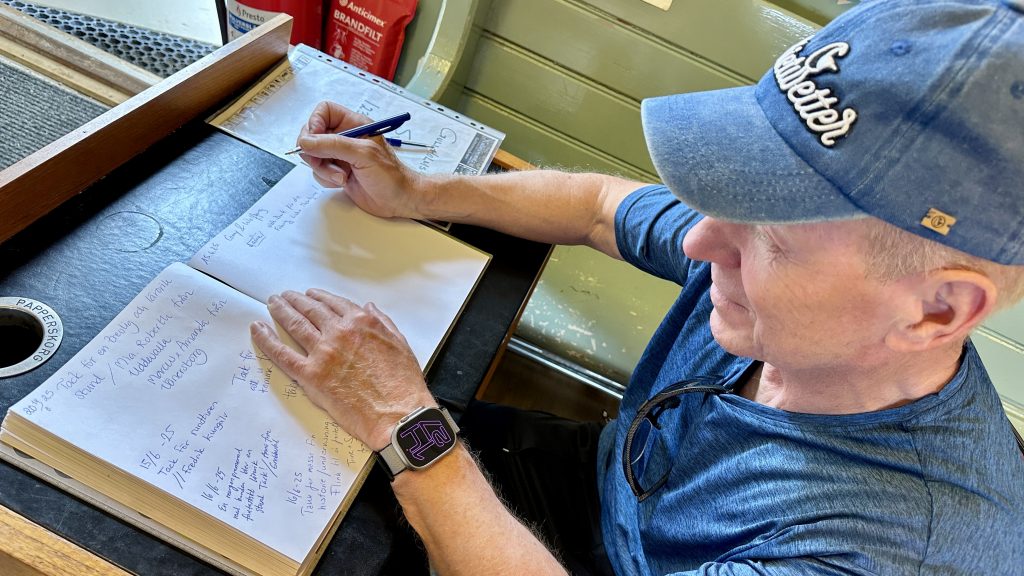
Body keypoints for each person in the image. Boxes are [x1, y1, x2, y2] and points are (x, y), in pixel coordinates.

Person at [249, 0, 1024, 573]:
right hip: (604, 488)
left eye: (772, 239)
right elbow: (596, 206)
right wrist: (419, 191)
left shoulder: (884, 550)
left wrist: (405, 422)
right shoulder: (767, 274)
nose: (699, 242)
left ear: (937, 311)